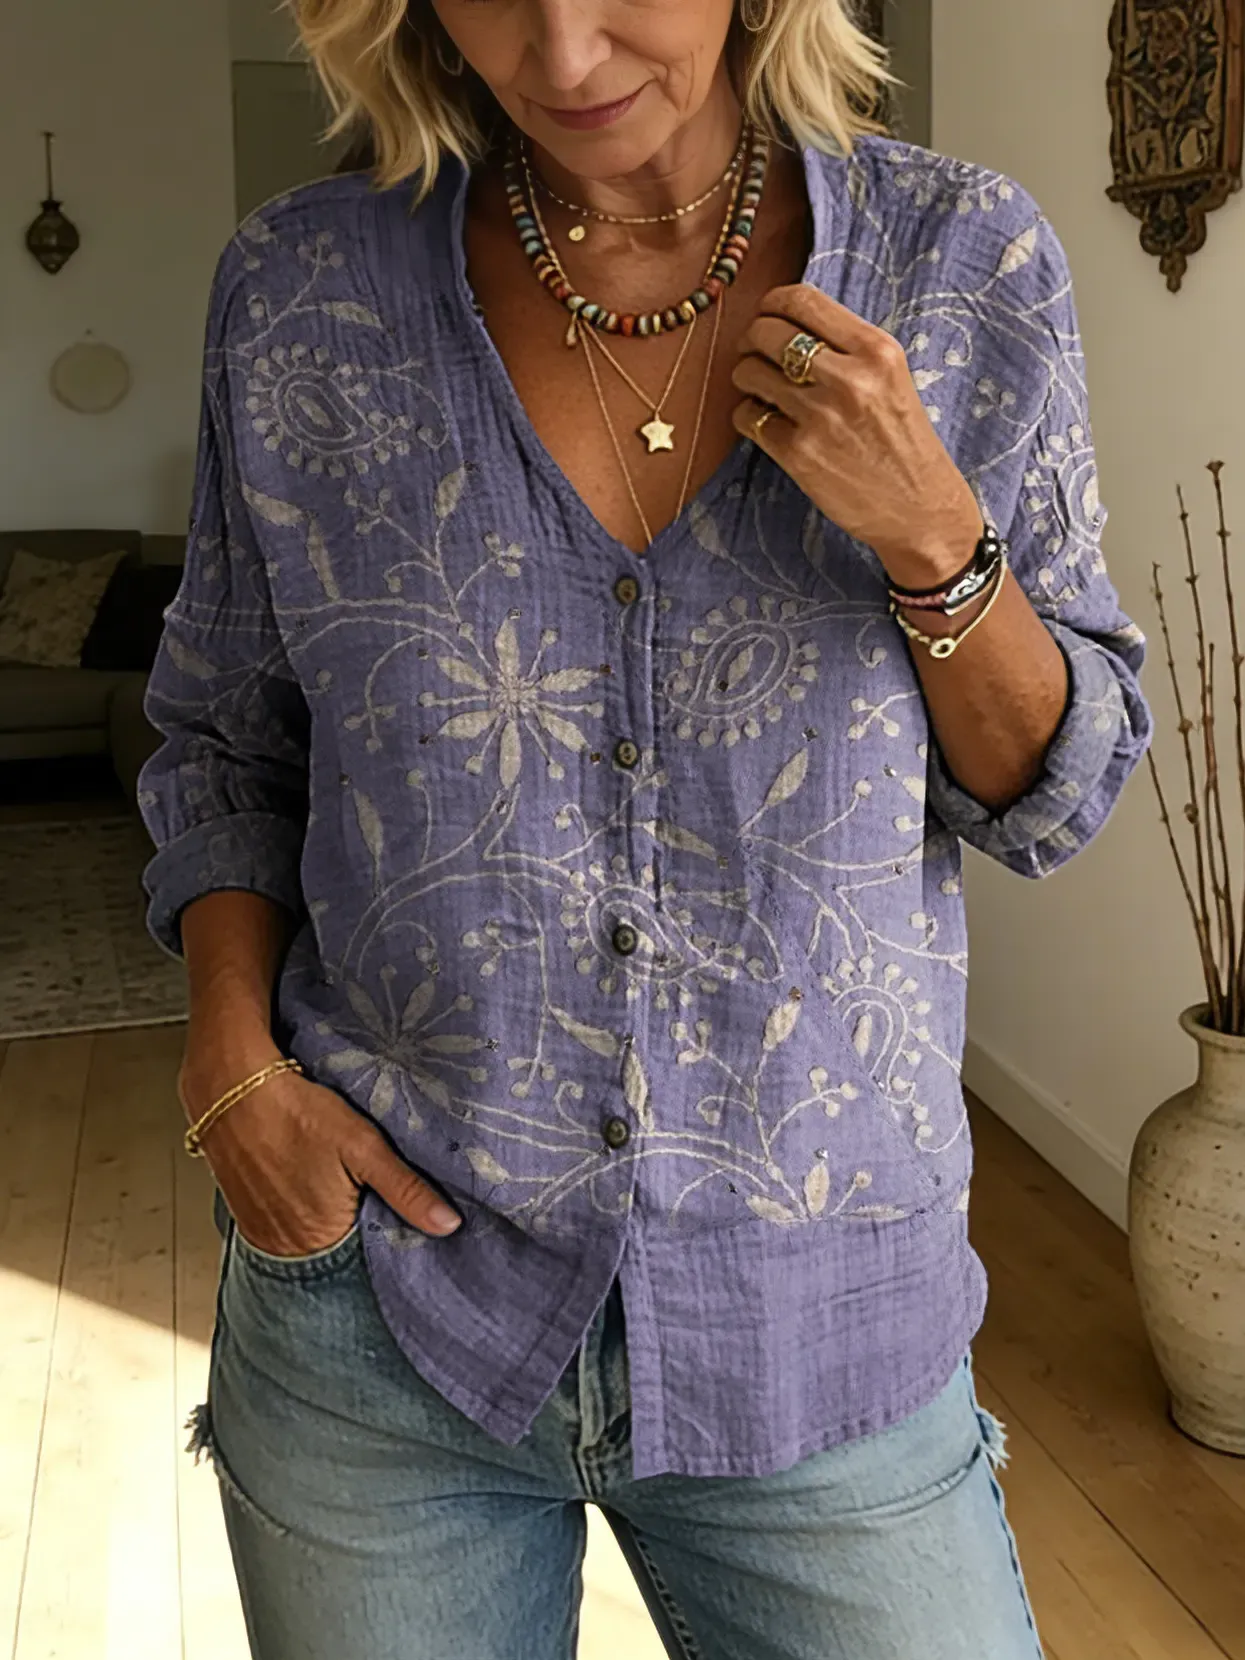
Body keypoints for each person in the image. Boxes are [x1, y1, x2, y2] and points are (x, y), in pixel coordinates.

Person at [139, 1, 1151, 1655]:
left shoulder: (969, 265)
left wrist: (934, 535)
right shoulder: (300, 291)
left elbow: (1055, 790)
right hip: (385, 1323)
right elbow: (227, 739)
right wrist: (230, 1069)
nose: (562, 52)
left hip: (822, 1331)